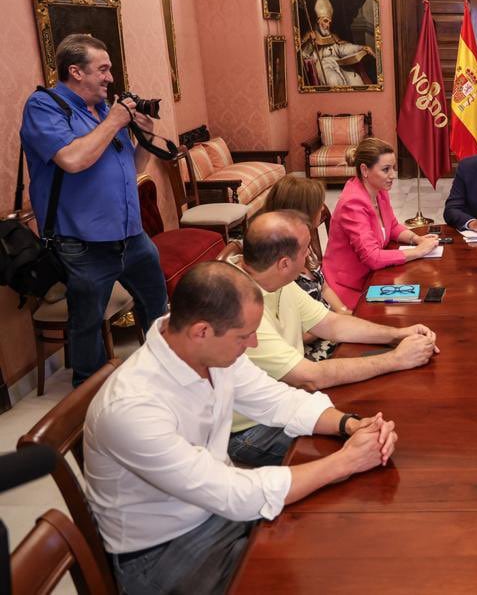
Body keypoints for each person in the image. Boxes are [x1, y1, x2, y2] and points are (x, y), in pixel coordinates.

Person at [84, 262, 398, 594]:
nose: (252, 345)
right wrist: (345, 462)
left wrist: (349, 425)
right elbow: (230, 492)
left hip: (214, 512)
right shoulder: (132, 408)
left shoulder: (209, 354)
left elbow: (277, 400)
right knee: (316, 566)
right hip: (162, 550)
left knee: (335, 536)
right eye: (244, 336)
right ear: (201, 331)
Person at [228, 210, 436, 467]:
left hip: (288, 403)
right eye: (305, 250)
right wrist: (396, 359)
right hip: (251, 430)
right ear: (284, 263)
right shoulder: (238, 305)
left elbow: (332, 324)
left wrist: (396, 335)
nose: (310, 257)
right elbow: (310, 377)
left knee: (375, 431)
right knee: (373, 452)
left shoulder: (272, 278)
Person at [19, 33, 168, 387]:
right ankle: (91, 393)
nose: (110, 78)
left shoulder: (103, 110)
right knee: (87, 325)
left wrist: (143, 138)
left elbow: (131, 169)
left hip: (132, 236)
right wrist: (115, 122)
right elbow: (72, 159)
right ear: (76, 71)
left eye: (110, 69)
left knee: (157, 305)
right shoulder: (45, 106)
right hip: (83, 243)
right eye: (102, 70)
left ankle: (164, 374)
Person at [322, 138, 439, 309]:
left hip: (374, 276)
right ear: (364, 170)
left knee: (422, 297)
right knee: (413, 308)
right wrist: (417, 252)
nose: (393, 175)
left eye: (393, 168)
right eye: (386, 169)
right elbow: (372, 257)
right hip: (350, 286)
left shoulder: (379, 191)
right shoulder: (352, 204)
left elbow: (392, 227)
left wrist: (417, 239)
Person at [261, 175, 350, 361]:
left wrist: (341, 310)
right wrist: (328, 324)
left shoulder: (304, 244)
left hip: (328, 325)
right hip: (309, 348)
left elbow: (323, 286)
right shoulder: (280, 265)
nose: (322, 208)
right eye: (319, 205)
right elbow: (290, 336)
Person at [300, 0, 377, 87]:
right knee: (333, 81)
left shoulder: (333, 37)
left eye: (329, 22)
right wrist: (310, 43)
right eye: (325, 21)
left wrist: (361, 48)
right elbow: (304, 56)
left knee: (355, 79)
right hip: (324, 66)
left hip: (339, 64)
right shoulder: (311, 36)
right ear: (318, 22)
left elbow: (343, 49)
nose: (328, 25)